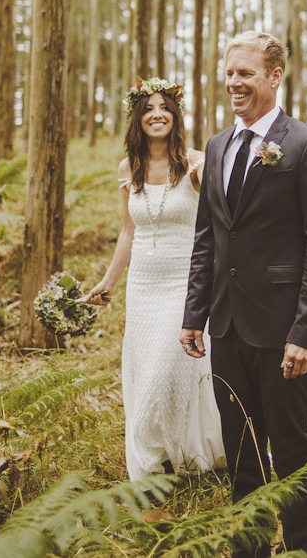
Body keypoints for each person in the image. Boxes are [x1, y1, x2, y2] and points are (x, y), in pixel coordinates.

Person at [180, 32, 307, 557]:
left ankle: (297, 546)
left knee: (291, 450)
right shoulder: (217, 146)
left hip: (282, 332)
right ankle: (249, 549)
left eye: (245, 73)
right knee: (241, 450)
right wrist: (194, 314)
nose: (233, 83)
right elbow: (208, 237)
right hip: (226, 327)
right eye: (229, 73)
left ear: (275, 76)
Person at [86, 78, 225, 480]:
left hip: (186, 280)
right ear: (138, 118)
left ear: (175, 115)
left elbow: (218, 226)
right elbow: (129, 231)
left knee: (170, 364)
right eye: (148, 109)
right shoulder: (128, 168)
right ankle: (161, 457)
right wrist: (109, 282)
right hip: (144, 285)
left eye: (164, 107)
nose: (157, 115)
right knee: (146, 367)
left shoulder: (197, 164)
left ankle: (167, 452)